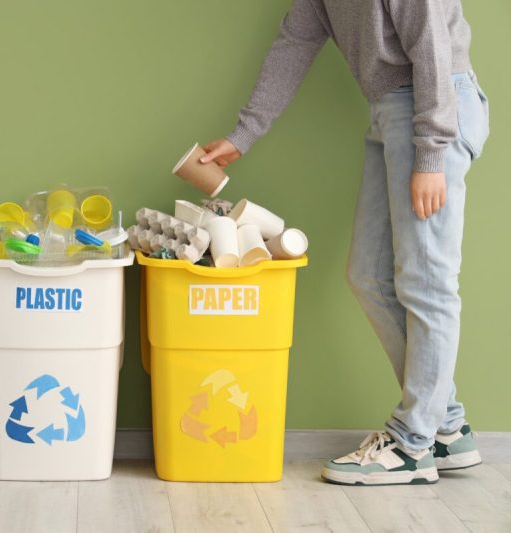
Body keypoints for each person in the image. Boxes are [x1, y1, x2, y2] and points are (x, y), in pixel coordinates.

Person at [200, 0, 489, 486]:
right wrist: (243, 135)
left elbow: (432, 44)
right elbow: (294, 44)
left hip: (432, 106)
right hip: (389, 111)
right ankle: (445, 425)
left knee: (428, 281)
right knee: (369, 276)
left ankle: (413, 445)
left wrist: (432, 153)